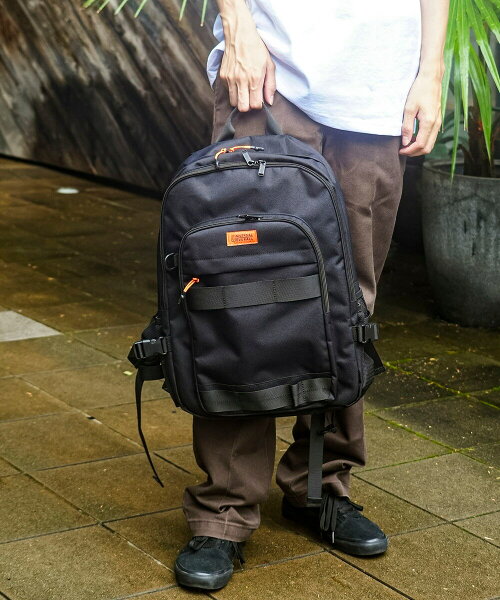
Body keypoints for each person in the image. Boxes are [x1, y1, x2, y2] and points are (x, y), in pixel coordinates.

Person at [174, 0, 449, 590]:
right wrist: (239, 31)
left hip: (377, 90)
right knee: (243, 298)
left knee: (348, 305)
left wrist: (431, 72)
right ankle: (224, 510)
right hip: (269, 75)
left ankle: (320, 485)